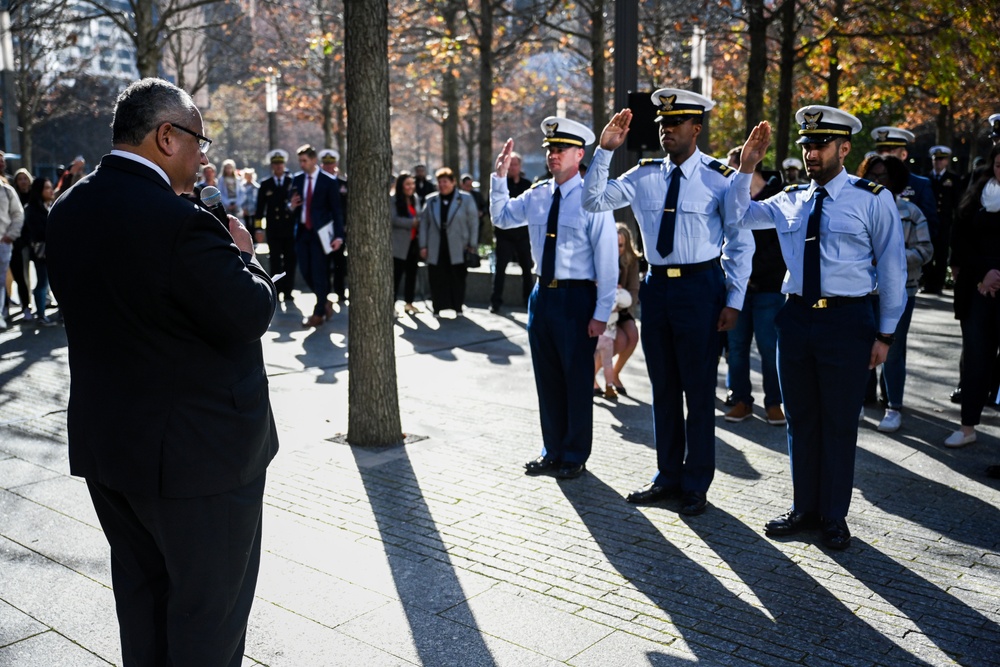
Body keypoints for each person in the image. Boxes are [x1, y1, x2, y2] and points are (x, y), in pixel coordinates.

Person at [46, 77, 278, 666]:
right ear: (166, 136)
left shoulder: (68, 208)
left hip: (112, 453)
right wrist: (245, 257)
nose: (205, 156)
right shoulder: (180, 223)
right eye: (199, 140)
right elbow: (249, 312)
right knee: (208, 620)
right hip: (200, 463)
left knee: (143, 606)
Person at [732, 106, 907, 550]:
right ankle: (804, 508)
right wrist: (746, 166)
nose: (811, 152)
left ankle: (833, 514)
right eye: (806, 144)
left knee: (839, 421)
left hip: (847, 320)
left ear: (844, 148)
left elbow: (891, 271)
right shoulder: (789, 198)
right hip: (794, 317)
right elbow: (737, 216)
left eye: (820, 144)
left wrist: (885, 334)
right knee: (801, 419)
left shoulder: (872, 198)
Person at [583, 89, 753, 515]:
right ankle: (667, 476)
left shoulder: (719, 177)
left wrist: (734, 298)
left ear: (696, 128)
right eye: (661, 123)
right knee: (663, 388)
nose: (666, 130)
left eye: (675, 123)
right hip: (658, 288)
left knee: (697, 390)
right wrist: (604, 151)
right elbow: (592, 201)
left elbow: (739, 240)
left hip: (701, 287)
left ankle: (696, 483)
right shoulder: (643, 176)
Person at [491, 117, 617, 480]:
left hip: (577, 298)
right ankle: (552, 450)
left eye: (560, 149)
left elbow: (608, 262)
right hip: (541, 296)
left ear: (580, 154)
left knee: (576, 379)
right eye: (549, 149)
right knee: (547, 379)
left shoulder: (594, 199)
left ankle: (575, 453)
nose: (553, 155)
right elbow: (501, 218)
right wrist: (499, 179)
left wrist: (601, 313)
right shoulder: (537, 194)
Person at [857, 154, 933, 433]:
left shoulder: (911, 213)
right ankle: (862, 402)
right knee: (862, 347)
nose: (875, 182)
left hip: (901, 292)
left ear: (896, 181)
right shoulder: (858, 208)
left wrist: (892, 256)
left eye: (882, 177)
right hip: (863, 292)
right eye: (871, 176)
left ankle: (893, 407)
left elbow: (926, 251)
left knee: (892, 349)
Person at [723, 146, 787, 426]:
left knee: (768, 345)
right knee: (736, 348)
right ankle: (741, 401)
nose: (728, 171)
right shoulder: (730, 199)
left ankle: (774, 403)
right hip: (737, 289)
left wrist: (750, 271)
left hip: (768, 289)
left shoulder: (778, 199)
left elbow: (781, 248)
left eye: (731, 165)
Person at [945, 144, 1000, 449]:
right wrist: (984, 275)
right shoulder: (978, 194)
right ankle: (967, 428)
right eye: (998, 165)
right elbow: (961, 238)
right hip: (978, 289)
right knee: (976, 357)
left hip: (993, 282)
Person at [290, 144, 345, 327]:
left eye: (304, 160)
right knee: (305, 271)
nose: (302, 164)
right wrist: (291, 206)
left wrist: (338, 236)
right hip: (303, 232)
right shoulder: (297, 179)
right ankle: (325, 301)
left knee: (319, 272)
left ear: (314, 160)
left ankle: (318, 313)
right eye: (300, 161)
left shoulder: (328, 181)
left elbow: (337, 211)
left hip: (320, 234)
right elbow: (290, 205)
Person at [418, 168, 478, 316]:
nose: (442, 185)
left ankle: (457, 306)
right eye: (439, 182)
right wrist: (423, 245)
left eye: (445, 181)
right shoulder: (431, 200)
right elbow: (424, 224)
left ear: (453, 182)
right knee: (437, 277)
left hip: (459, 245)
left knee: (457, 277)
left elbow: (473, 222)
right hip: (436, 246)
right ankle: (438, 307)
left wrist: (472, 244)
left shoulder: (466, 199)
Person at [871, 126, 940, 241]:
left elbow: (929, 228)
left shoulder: (920, 185)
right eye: (880, 151)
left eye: (890, 151)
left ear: (904, 155)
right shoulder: (868, 184)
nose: (883, 155)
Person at [490, 152, 535, 315]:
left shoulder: (528, 185)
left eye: (516, 164)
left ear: (520, 166)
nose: (513, 167)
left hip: (523, 236)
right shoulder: (502, 184)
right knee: (500, 269)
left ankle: (529, 302)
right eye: (511, 164)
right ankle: (495, 302)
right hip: (504, 236)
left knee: (527, 271)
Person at [600, 222, 641, 396]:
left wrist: (621, 304)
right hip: (603, 310)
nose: (617, 249)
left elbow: (634, 291)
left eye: (621, 245)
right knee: (617, 341)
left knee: (632, 336)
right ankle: (593, 375)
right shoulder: (601, 257)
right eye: (614, 244)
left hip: (622, 308)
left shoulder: (631, 262)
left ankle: (615, 373)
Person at [255, 149, 297, 304]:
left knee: (290, 259)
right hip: (273, 228)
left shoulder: (291, 182)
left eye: (281, 163)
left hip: (289, 227)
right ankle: (277, 289)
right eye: (276, 164)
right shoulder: (266, 184)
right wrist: (258, 229)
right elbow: (259, 209)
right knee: (274, 260)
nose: (279, 166)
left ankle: (289, 291)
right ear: (272, 166)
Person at [923, 145, 960, 294]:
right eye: (936, 159)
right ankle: (927, 284)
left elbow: (957, 202)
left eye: (941, 159)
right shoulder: (927, 178)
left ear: (946, 161)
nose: (938, 162)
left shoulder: (953, 179)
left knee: (941, 255)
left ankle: (937, 286)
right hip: (928, 223)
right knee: (928, 254)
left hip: (945, 224)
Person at [24, 177, 58, 327]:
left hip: (54, 252)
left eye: (51, 187)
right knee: (42, 283)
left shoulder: (53, 205)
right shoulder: (31, 209)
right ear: (39, 191)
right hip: (41, 253)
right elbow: (38, 232)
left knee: (55, 283)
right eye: (47, 188)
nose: (51, 190)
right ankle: (41, 315)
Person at [319, 148, 348, 304]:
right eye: (326, 164)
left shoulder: (343, 184)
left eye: (331, 164)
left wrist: (345, 226)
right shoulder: (319, 184)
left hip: (339, 229)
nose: (329, 167)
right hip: (323, 229)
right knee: (323, 263)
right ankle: (325, 293)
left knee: (339, 263)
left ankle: (340, 291)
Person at [391, 171, 422, 314]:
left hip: (413, 243)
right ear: (401, 186)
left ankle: (409, 303)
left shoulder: (415, 199)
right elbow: (393, 219)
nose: (411, 187)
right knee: (396, 276)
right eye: (407, 184)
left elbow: (420, 215)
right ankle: (391, 304)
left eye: (412, 183)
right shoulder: (393, 200)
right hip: (399, 245)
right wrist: (412, 223)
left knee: (412, 274)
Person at [595, 286, 632, 399]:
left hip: (608, 335)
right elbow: (612, 305)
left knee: (607, 363)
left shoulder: (612, 291)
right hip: (601, 334)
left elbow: (627, 301)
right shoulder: (605, 292)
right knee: (606, 363)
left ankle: (609, 387)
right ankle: (606, 386)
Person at [0, 166, 25, 330]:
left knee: (0, 281)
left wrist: (10, 236)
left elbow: (18, 213)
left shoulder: (7, 191)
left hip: (3, 242)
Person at [9, 168, 32, 321]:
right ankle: (25, 305)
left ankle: (29, 304)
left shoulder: (35, 196)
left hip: (34, 241)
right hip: (18, 242)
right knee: (20, 275)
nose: (23, 181)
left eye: (25, 178)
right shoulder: (12, 196)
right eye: (20, 179)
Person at [237, 167, 259, 231]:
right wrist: (243, 208)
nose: (249, 177)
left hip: (254, 209)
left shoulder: (256, 187)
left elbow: (257, 199)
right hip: (245, 210)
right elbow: (240, 198)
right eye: (248, 176)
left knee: (254, 225)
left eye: (250, 176)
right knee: (246, 226)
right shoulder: (241, 186)